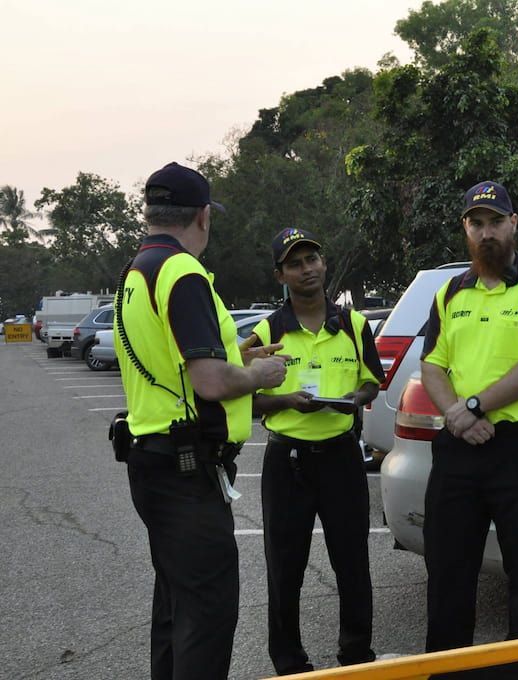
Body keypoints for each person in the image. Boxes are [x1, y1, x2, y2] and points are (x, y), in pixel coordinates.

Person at [115, 162, 288, 680]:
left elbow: (173, 361)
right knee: (207, 616)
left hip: (155, 462)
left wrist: (239, 351)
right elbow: (209, 381)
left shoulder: (138, 270)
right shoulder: (183, 272)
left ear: (151, 214)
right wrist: (261, 375)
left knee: (175, 610)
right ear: (203, 216)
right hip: (186, 473)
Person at [419, 180, 518, 651]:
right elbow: (432, 364)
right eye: (477, 223)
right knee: (447, 568)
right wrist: (454, 413)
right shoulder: (450, 293)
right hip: (458, 448)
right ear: (466, 228)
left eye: (496, 222)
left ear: (513, 224)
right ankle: (446, 665)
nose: (487, 233)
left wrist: (472, 406)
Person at [248, 228, 384, 675]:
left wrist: (356, 398)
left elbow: (371, 381)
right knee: (285, 568)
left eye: (313, 259)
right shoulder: (268, 331)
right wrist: (285, 401)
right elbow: (246, 399)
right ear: (280, 275)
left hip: (341, 457)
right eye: (295, 263)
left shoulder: (353, 324)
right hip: (287, 461)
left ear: (324, 264)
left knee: (352, 562)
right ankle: (289, 661)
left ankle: (357, 654)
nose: (307, 269)